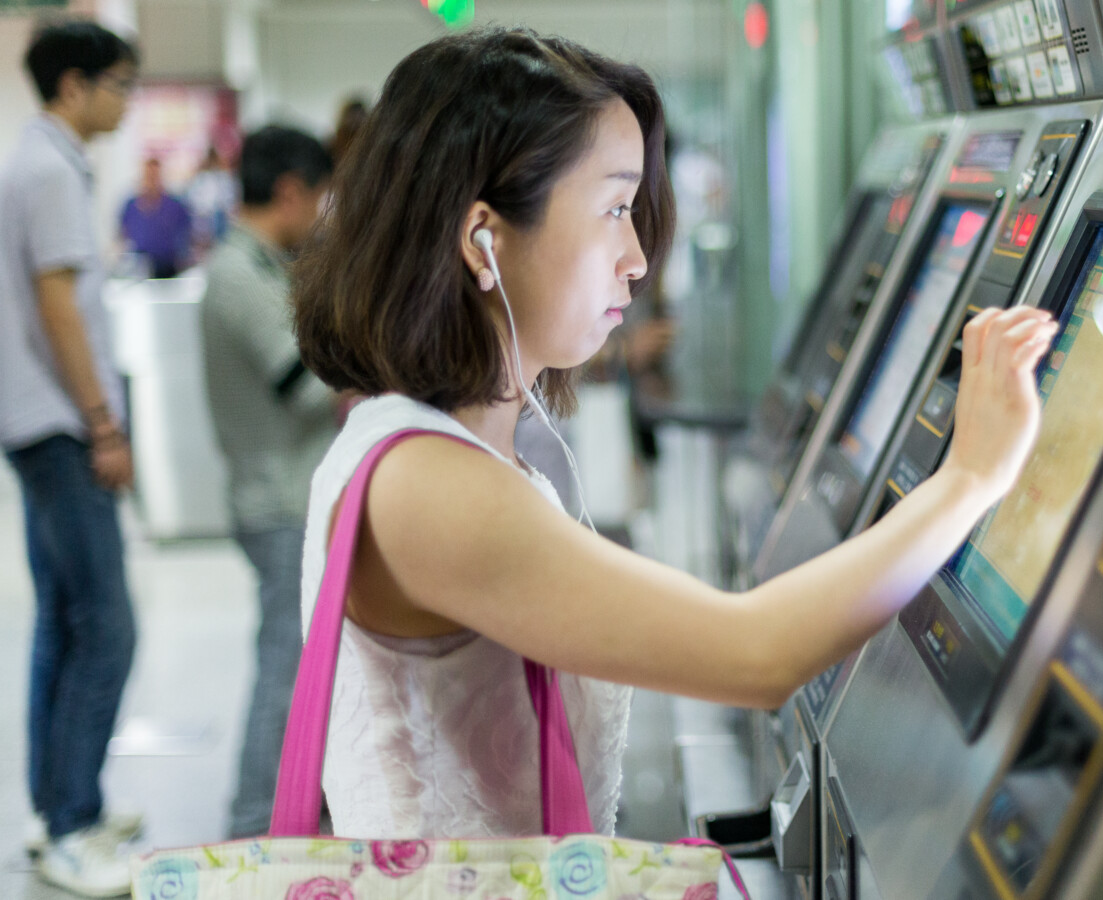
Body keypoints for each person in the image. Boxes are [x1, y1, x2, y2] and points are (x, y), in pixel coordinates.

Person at [291, 26, 1055, 838]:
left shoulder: (436, 445)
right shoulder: (427, 488)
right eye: (614, 207)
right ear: (485, 237)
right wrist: (971, 474)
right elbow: (757, 656)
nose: (636, 258)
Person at [0, 19, 144, 898]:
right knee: (107, 626)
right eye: (119, 85)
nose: (126, 102)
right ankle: (72, 824)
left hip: (35, 423)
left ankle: (55, 805)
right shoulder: (49, 169)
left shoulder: (37, 160)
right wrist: (103, 425)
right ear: (74, 86)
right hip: (58, 425)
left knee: (63, 618)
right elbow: (59, 308)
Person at [198, 125, 337, 839]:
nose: (319, 214)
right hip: (279, 502)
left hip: (294, 495)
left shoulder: (260, 264)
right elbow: (306, 385)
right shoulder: (235, 274)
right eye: (319, 198)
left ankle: (292, 814)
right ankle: (252, 828)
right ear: (289, 191)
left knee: (305, 670)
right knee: (283, 676)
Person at [119, 156, 192, 278]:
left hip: (167, 269)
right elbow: (122, 235)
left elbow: (187, 237)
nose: (152, 180)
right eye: (149, 176)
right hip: (137, 268)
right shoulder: (130, 205)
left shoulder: (175, 206)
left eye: (155, 176)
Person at [186, 145, 235, 254]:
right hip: (203, 216)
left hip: (219, 216)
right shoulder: (201, 177)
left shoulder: (223, 177)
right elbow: (193, 199)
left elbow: (229, 199)